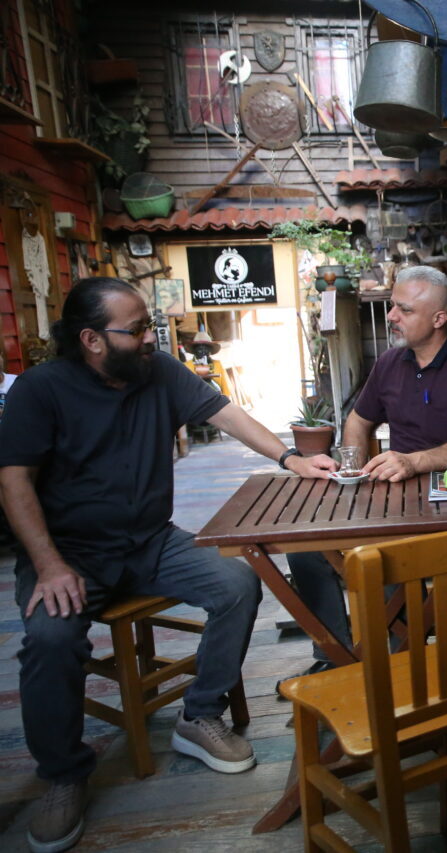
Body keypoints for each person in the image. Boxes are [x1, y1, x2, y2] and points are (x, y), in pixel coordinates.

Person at [0, 277, 336, 853]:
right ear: (91, 339)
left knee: (236, 582)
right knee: (52, 638)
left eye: (148, 326)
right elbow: (14, 483)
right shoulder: (41, 391)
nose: (150, 339)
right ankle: (64, 774)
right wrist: (49, 565)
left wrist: (289, 458)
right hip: (69, 553)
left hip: (150, 541)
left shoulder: (156, 372)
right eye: (135, 330)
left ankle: (198, 716)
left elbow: (228, 415)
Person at [278, 265, 447, 691]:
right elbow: (358, 422)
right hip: (391, 498)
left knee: (382, 565)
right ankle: (338, 657)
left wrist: (415, 461)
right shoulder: (388, 364)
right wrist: (352, 470)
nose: (391, 317)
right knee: (305, 549)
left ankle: (407, 660)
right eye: (392, 307)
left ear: (439, 318)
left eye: (403, 309)